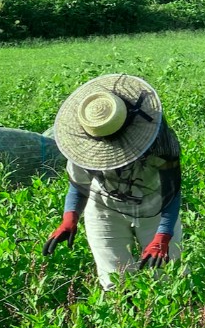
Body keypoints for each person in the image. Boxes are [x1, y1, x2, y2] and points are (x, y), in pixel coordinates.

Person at [43, 73, 183, 289]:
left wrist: (163, 235)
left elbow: (172, 192)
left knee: (167, 279)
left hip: (155, 208)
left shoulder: (158, 141)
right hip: (104, 210)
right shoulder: (84, 145)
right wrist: (69, 217)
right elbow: (78, 185)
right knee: (115, 283)